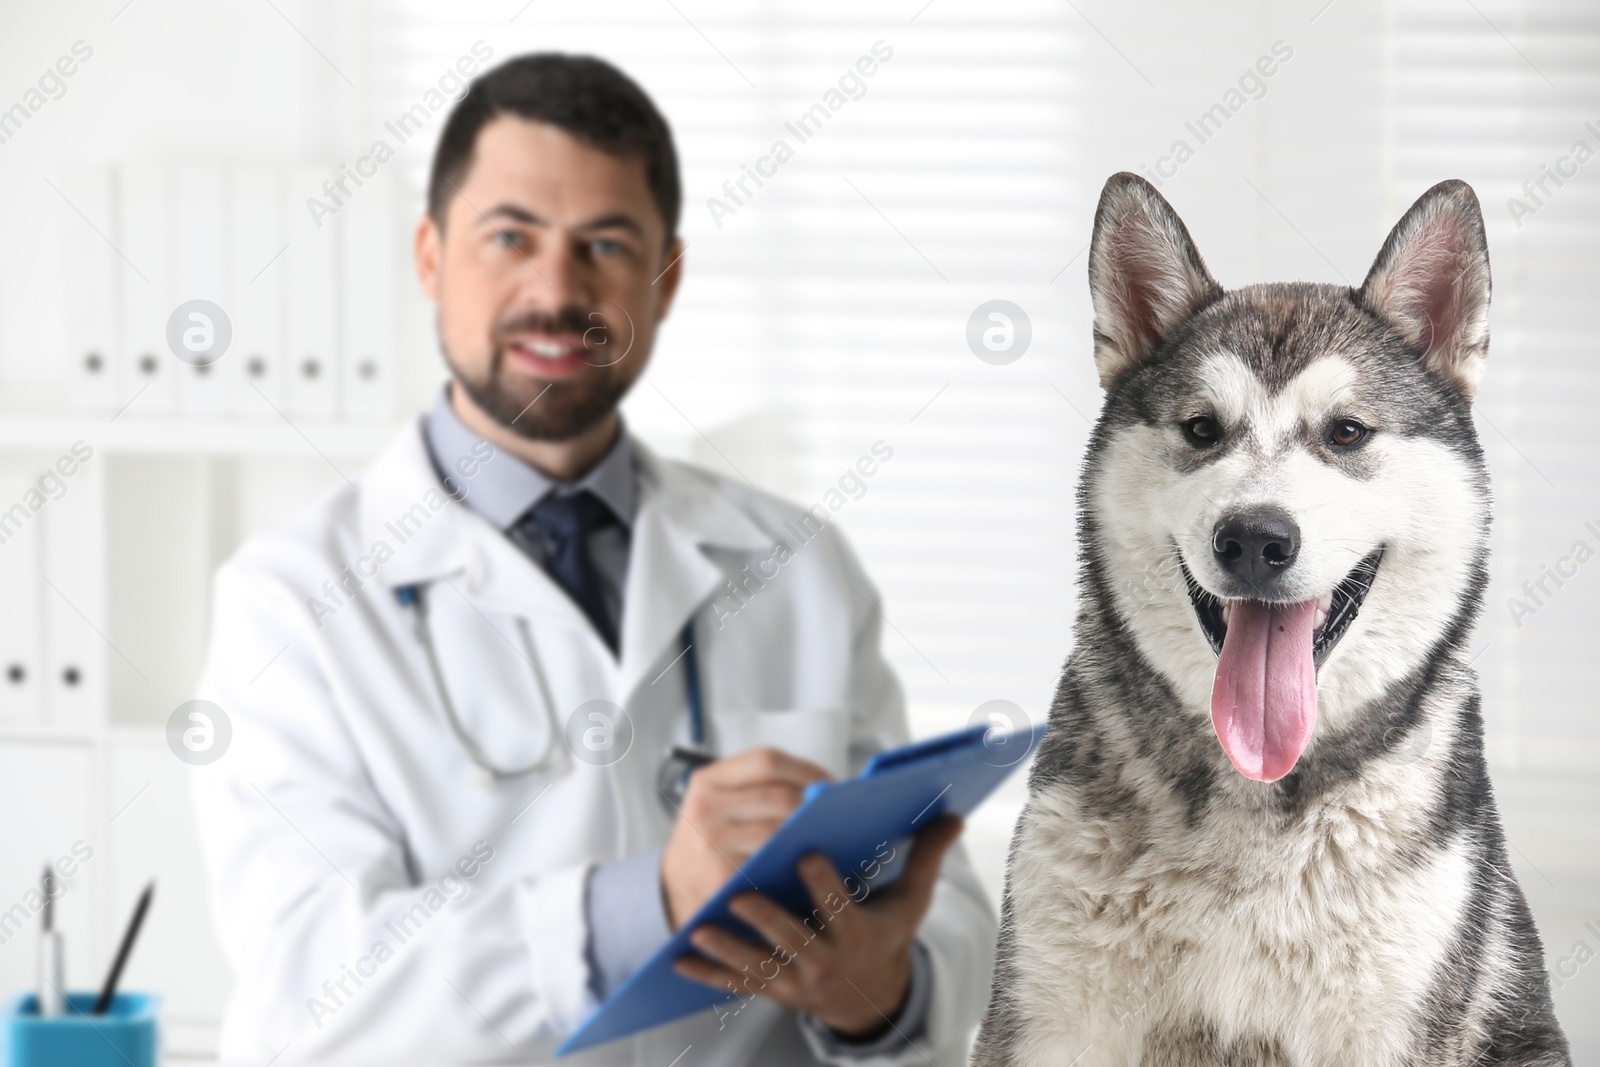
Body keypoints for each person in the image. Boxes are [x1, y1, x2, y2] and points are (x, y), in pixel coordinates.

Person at [193, 53, 996, 1065]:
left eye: (605, 243)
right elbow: (312, 983)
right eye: (509, 235)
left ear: (664, 281)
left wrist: (883, 992)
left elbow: (943, 910)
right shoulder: (290, 597)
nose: (555, 287)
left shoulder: (796, 565)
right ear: (431, 258)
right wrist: (645, 902)